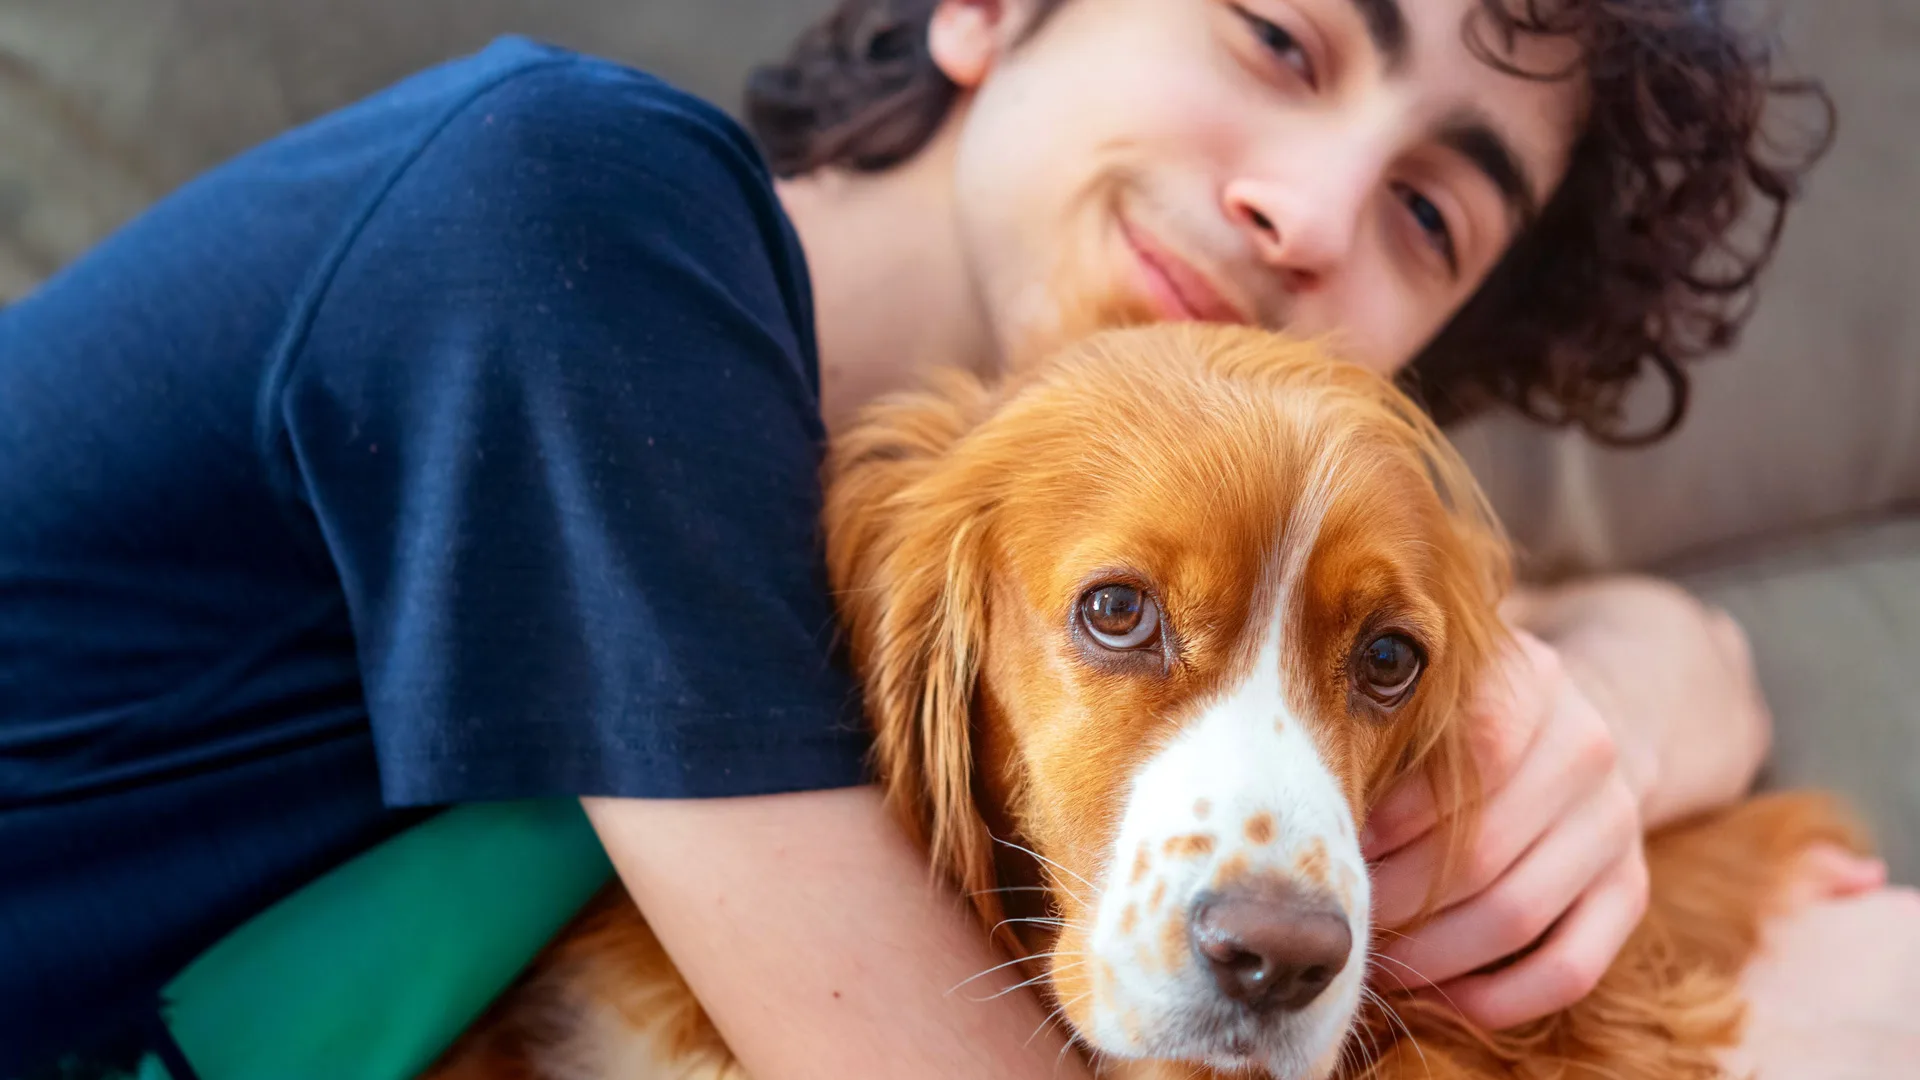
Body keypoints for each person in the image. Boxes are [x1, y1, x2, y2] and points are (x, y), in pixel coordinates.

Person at [0, 0, 1894, 1076]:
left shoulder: (1017, 573)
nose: (1306, 210)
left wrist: (1648, 687)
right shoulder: (569, 225)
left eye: (1429, 222)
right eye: (1280, 36)